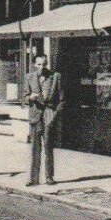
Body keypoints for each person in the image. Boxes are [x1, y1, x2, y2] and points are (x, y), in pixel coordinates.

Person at [23, 52, 63, 186]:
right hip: (35, 115)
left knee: (48, 147)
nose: (42, 67)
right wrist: (30, 98)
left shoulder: (55, 77)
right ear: (34, 65)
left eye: (44, 64)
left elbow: (62, 100)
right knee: (35, 148)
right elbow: (23, 98)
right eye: (39, 64)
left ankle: (49, 177)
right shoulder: (29, 77)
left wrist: (54, 115)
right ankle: (33, 178)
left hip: (49, 115)